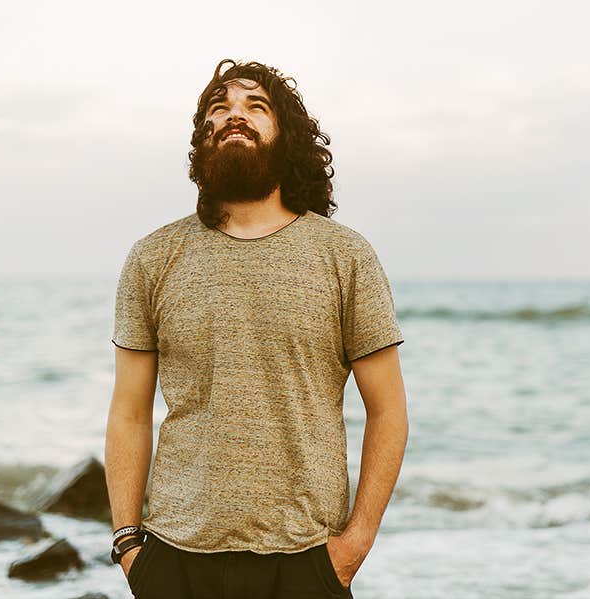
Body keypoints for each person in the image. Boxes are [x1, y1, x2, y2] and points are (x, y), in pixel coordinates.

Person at [104, 58, 409, 598]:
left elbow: (387, 411)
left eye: (255, 106)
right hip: (174, 559)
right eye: (218, 109)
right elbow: (129, 412)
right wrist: (129, 544)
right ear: (202, 139)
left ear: (285, 135)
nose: (233, 116)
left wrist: (354, 545)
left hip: (306, 561)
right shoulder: (154, 259)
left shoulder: (345, 256)